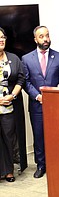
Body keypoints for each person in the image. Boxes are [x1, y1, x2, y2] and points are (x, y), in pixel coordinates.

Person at [22, 26, 59, 178]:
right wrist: (38, 96)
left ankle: (57, 164)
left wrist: (52, 96)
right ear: (36, 39)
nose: (45, 39)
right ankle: (41, 165)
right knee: (39, 136)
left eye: (47, 36)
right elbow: (26, 82)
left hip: (56, 106)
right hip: (36, 105)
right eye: (41, 36)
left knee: (57, 136)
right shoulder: (26, 59)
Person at [0, 27, 26, 182]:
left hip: (8, 107)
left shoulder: (14, 58)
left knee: (9, 138)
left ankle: (9, 171)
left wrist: (13, 95)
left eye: (2, 37)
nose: (1, 40)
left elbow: (21, 79)